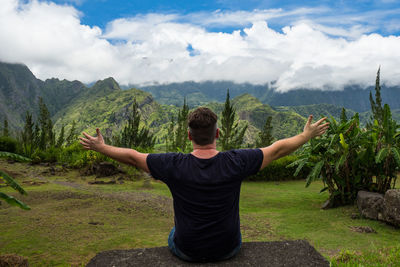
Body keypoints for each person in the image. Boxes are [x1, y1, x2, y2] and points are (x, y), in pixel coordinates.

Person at [79, 107, 329, 262]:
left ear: (189, 136)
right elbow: (276, 150)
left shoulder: (173, 165)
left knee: (174, 231)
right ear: (217, 135)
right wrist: (306, 135)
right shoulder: (237, 162)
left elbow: (133, 157)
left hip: (187, 250)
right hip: (229, 248)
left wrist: (101, 147)